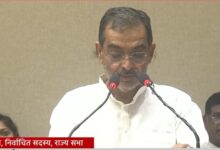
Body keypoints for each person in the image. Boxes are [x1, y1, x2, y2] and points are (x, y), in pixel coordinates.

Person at [49, 7, 208, 148]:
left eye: (137, 55)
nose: (127, 65)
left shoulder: (178, 105)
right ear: (99, 52)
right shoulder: (72, 106)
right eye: (116, 54)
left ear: (151, 53)